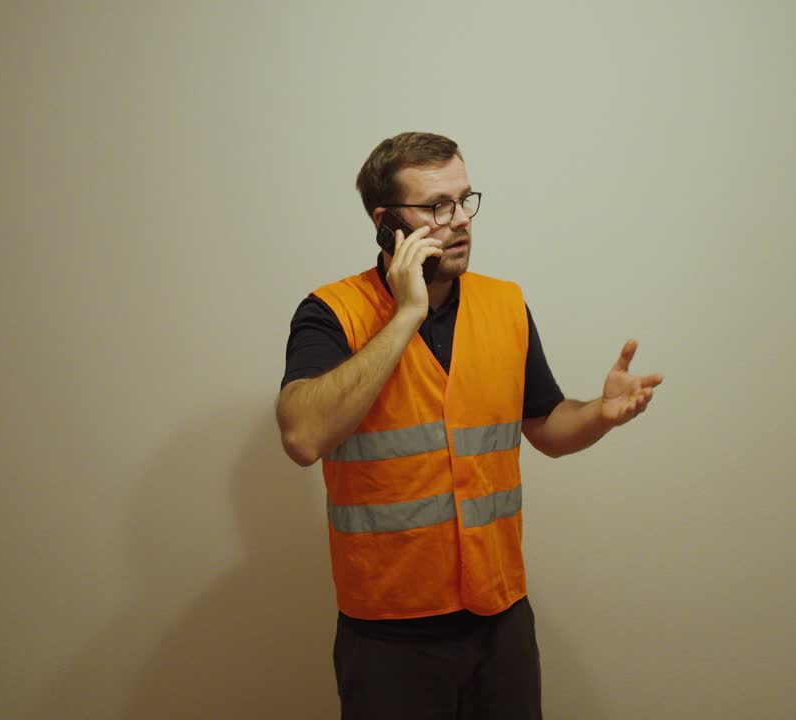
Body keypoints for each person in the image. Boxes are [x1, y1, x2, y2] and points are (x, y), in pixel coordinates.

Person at [276, 132, 663, 719]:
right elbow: (303, 437)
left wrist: (599, 416)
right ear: (386, 223)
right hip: (388, 636)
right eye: (436, 207)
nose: (459, 221)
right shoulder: (332, 312)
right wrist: (407, 313)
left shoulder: (504, 304)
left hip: (500, 619)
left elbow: (548, 426)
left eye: (464, 200)